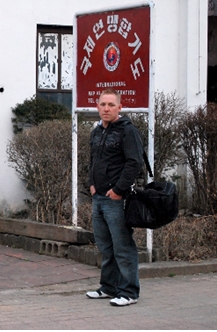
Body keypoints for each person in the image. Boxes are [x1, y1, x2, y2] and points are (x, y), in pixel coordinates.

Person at [85, 89, 144, 307]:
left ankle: (129, 292)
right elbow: (92, 160)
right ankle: (109, 287)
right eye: (103, 104)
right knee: (105, 246)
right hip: (98, 198)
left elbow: (134, 162)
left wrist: (118, 190)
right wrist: (91, 184)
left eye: (111, 105)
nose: (106, 108)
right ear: (97, 106)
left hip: (116, 200)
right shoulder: (97, 131)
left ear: (120, 107)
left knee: (122, 246)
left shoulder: (127, 131)